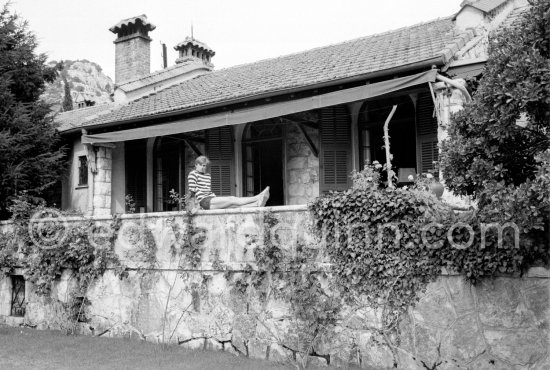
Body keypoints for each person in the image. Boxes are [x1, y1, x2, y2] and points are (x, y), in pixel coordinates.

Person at [187, 155, 270, 211]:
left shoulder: (208, 176)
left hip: (211, 199)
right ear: (196, 165)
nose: (203, 167)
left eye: (204, 165)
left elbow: (207, 190)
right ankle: (257, 197)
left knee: (233, 205)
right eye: (201, 165)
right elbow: (192, 192)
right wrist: (194, 207)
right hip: (204, 201)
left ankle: (256, 204)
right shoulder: (192, 174)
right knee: (232, 199)